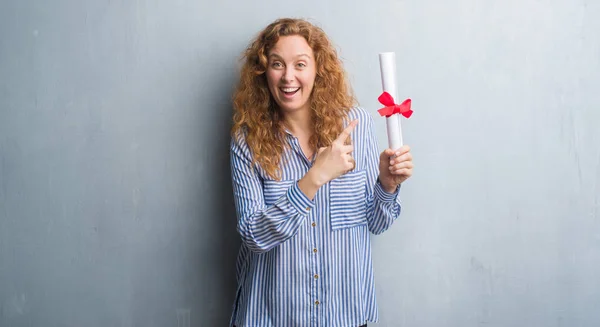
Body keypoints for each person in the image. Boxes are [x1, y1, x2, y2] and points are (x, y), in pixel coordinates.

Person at [228, 17, 413, 327]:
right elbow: (253, 236)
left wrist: (387, 185)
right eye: (277, 64)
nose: (288, 77)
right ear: (263, 71)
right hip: (275, 315)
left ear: (318, 69)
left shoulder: (357, 125)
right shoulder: (247, 140)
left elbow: (376, 222)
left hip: (344, 314)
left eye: (300, 64)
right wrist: (313, 179)